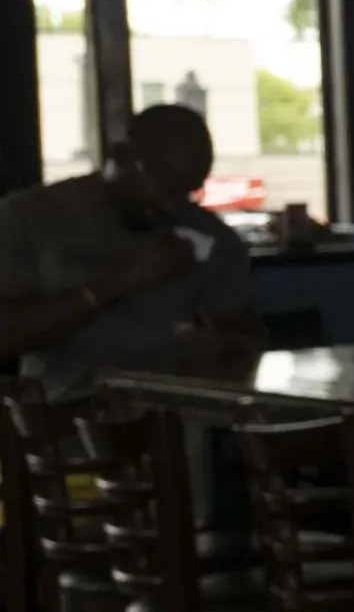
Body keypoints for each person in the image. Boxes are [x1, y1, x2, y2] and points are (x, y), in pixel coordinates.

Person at [0, 100, 259, 395]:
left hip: (175, 424)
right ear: (121, 157)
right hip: (62, 422)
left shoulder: (211, 238)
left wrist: (225, 346)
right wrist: (112, 285)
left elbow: (247, 339)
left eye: (188, 191)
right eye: (165, 186)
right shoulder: (30, 217)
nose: (170, 204)